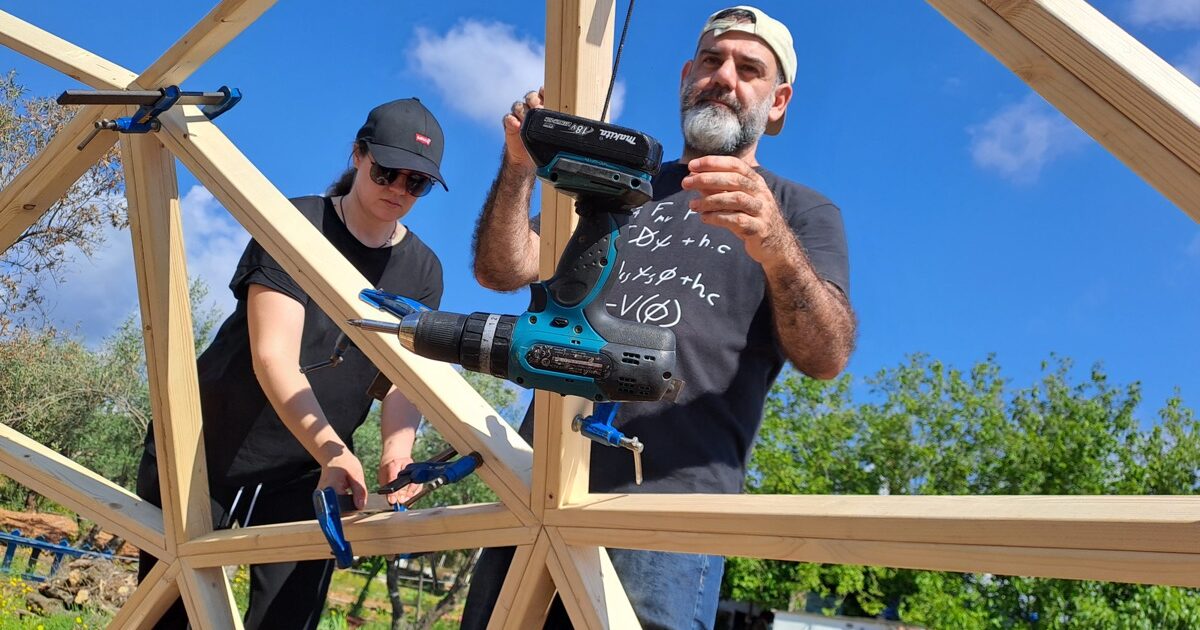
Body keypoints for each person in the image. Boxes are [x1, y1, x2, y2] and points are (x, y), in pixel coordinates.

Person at [462, 6, 855, 629]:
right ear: (685, 76)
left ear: (777, 103)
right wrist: (519, 168)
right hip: (538, 486)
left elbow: (826, 356)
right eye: (710, 60)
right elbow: (504, 269)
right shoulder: (620, 183)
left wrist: (776, 247)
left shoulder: (799, 212)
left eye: (749, 69)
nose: (723, 77)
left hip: (671, 507)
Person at [135, 98, 448, 629]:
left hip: (308, 477)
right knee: (170, 616)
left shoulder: (423, 271)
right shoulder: (297, 223)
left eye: (415, 183)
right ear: (357, 154)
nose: (398, 189)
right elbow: (272, 355)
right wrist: (334, 449)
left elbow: (404, 380)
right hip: (205, 452)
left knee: (288, 620)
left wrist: (397, 451)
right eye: (386, 171)